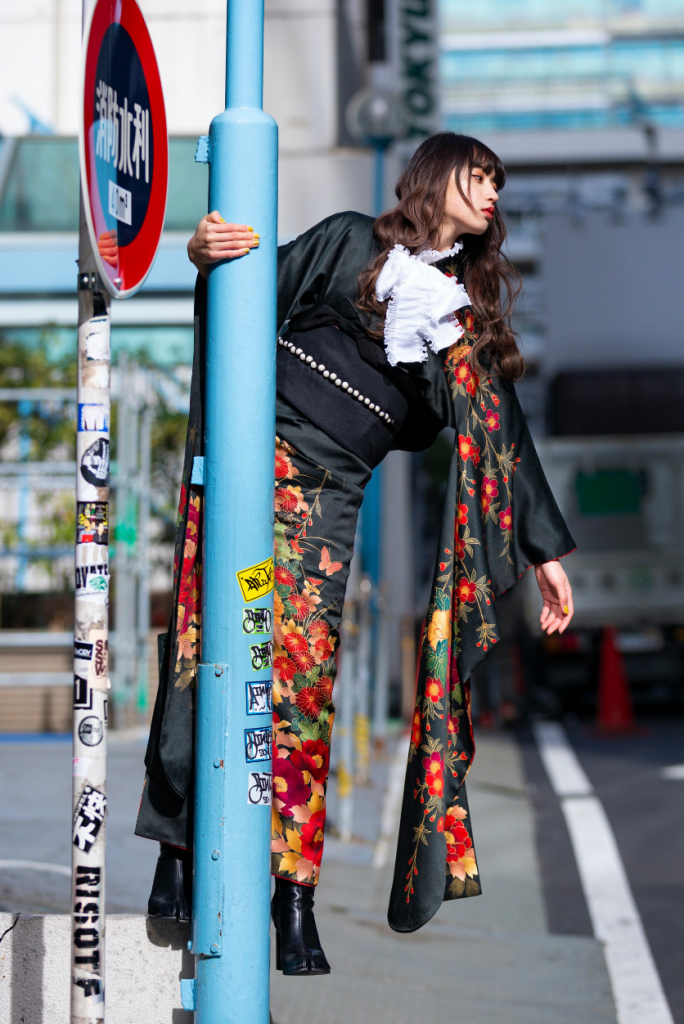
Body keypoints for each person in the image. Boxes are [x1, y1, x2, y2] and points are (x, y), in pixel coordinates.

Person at [136, 132, 575, 973]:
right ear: (435, 176)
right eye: (478, 176)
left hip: (328, 505)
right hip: (250, 466)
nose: (491, 193)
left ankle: (293, 895)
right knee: (204, 647)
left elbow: (503, 439)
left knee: (302, 686)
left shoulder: (461, 324)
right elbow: (240, 299)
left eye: (497, 183)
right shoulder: (347, 240)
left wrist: (544, 552)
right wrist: (199, 255)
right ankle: (176, 858)